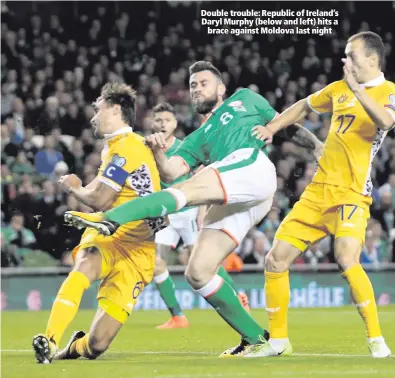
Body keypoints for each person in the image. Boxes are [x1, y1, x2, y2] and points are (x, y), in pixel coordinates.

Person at [65, 61, 323, 358]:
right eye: (193, 86)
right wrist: (158, 152)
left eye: (203, 83)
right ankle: (256, 338)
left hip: (251, 165)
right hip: (235, 191)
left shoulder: (244, 99)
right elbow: (173, 171)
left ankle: (110, 218)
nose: (197, 89)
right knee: (198, 272)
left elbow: (285, 125)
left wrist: (316, 146)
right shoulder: (197, 138)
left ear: (221, 88)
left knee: (185, 192)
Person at [251, 31, 393, 358]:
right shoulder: (338, 89)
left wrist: (359, 91)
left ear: (372, 59)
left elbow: (385, 120)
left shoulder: (388, 93)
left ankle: (376, 341)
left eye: (351, 56)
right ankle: (278, 341)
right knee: (275, 260)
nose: (345, 62)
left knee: (346, 258)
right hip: (317, 193)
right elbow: (303, 106)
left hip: (352, 194)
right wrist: (272, 128)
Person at [32, 82, 165, 363]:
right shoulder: (115, 147)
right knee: (85, 264)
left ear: (115, 110)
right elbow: (100, 193)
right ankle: (49, 338)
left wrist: (74, 189)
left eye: (98, 108)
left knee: (97, 345)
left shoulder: (128, 147)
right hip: (109, 234)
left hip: (139, 250)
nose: (93, 116)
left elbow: (101, 199)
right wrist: (82, 191)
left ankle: (70, 349)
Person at [150, 102, 249, 329]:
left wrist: (202, 213)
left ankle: (237, 296)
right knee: (156, 264)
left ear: (175, 124)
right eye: (158, 120)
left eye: (167, 120)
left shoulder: (185, 148)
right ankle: (177, 316)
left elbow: (204, 178)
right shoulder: (150, 150)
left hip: (188, 213)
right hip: (166, 216)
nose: (163, 124)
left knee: (205, 261)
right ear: (152, 123)